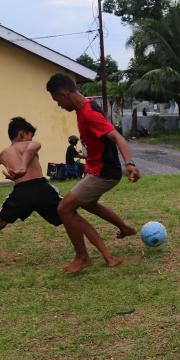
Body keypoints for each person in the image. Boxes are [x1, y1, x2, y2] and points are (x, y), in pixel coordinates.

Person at [0, 118, 118, 268]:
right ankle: (108, 257)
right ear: (22, 134)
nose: (32, 140)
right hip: (41, 189)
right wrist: (23, 166)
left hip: (21, 192)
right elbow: (32, 148)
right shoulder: (29, 144)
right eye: (30, 136)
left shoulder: (2, 154)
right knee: (75, 218)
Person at [46, 73, 140, 273]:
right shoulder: (85, 106)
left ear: (64, 93)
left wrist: (129, 163)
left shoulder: (88, 112)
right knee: (88, 204)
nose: (59, 105)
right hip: (98, 169)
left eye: (57, 100)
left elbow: (117, 137)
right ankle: (124, 228)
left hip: (104, 172)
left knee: (64, 209)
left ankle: (82, 257)